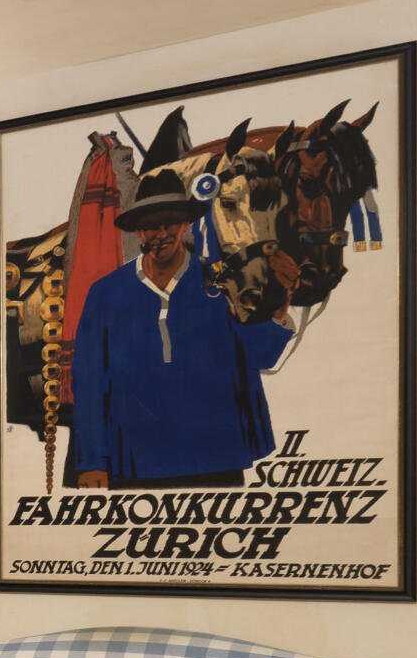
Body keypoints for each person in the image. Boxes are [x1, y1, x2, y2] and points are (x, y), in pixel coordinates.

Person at [66, 154, 292, 491]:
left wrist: (280, 299)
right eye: (151, 224)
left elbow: (260, 356)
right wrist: (91, 462)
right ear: (138, 230)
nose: (161, 233)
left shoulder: (220, 282)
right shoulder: (105, 293)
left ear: (184, 224)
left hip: (214, 458)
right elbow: (89, 381)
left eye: (169, 222)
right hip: (133, 461)